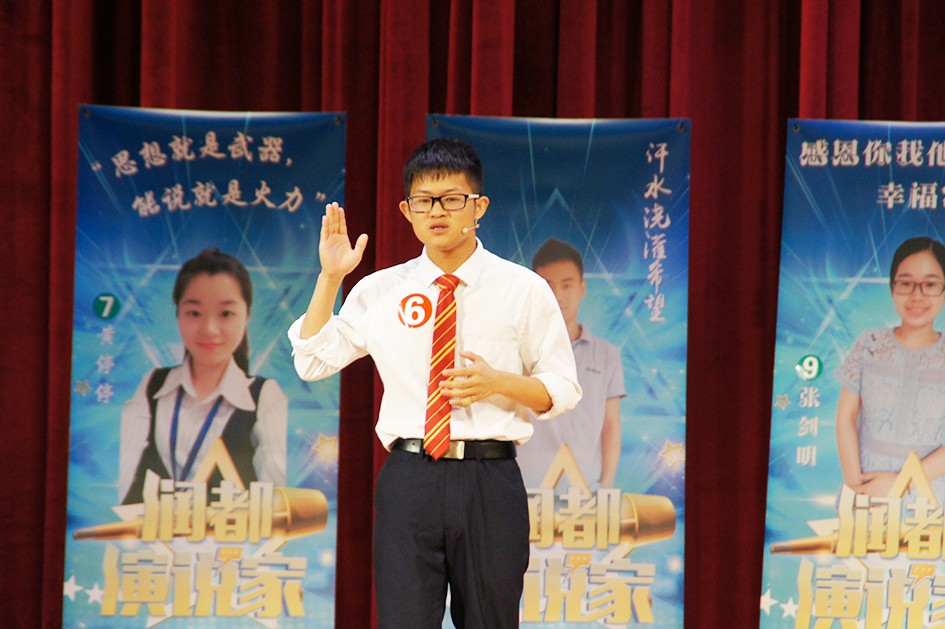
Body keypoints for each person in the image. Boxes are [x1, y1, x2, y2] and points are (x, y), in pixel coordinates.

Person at [287, 137, 581, 629]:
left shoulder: (522, 289)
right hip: (410, 475)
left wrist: (499, 383)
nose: (437, 211)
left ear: (478, 207)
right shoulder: (382, 289)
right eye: (424, 201)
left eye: (452, 198)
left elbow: (563, 388)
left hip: (490, 478)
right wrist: (330, 278)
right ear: (407, 211)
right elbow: (312, 361)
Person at [119, 248, 287, 504]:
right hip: (153, 528)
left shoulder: (265, 397)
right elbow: (126, 486)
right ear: (178, 315)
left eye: (226, 314)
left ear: (247, 316)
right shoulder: (152, 387)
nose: (209, 329)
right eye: (194, 313)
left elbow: (277, 503)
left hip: (233, 530)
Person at [835, 236, 945, 502]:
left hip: (927, 496)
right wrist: (856, 488)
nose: (917, 295)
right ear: (892, 288)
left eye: (930, 284)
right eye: (906, 283)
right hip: (865, 490)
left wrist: (900, 485)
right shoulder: (870, 343)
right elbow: (845, 418)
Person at [516, 238, 625, 491]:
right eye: (548, 286)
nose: (558, 296)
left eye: (567, 285)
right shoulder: (516, 350)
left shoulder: (606, 355)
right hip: (523, 490)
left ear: (582, 289)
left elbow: (611, 425)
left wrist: (607, 485)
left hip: (585, 494)